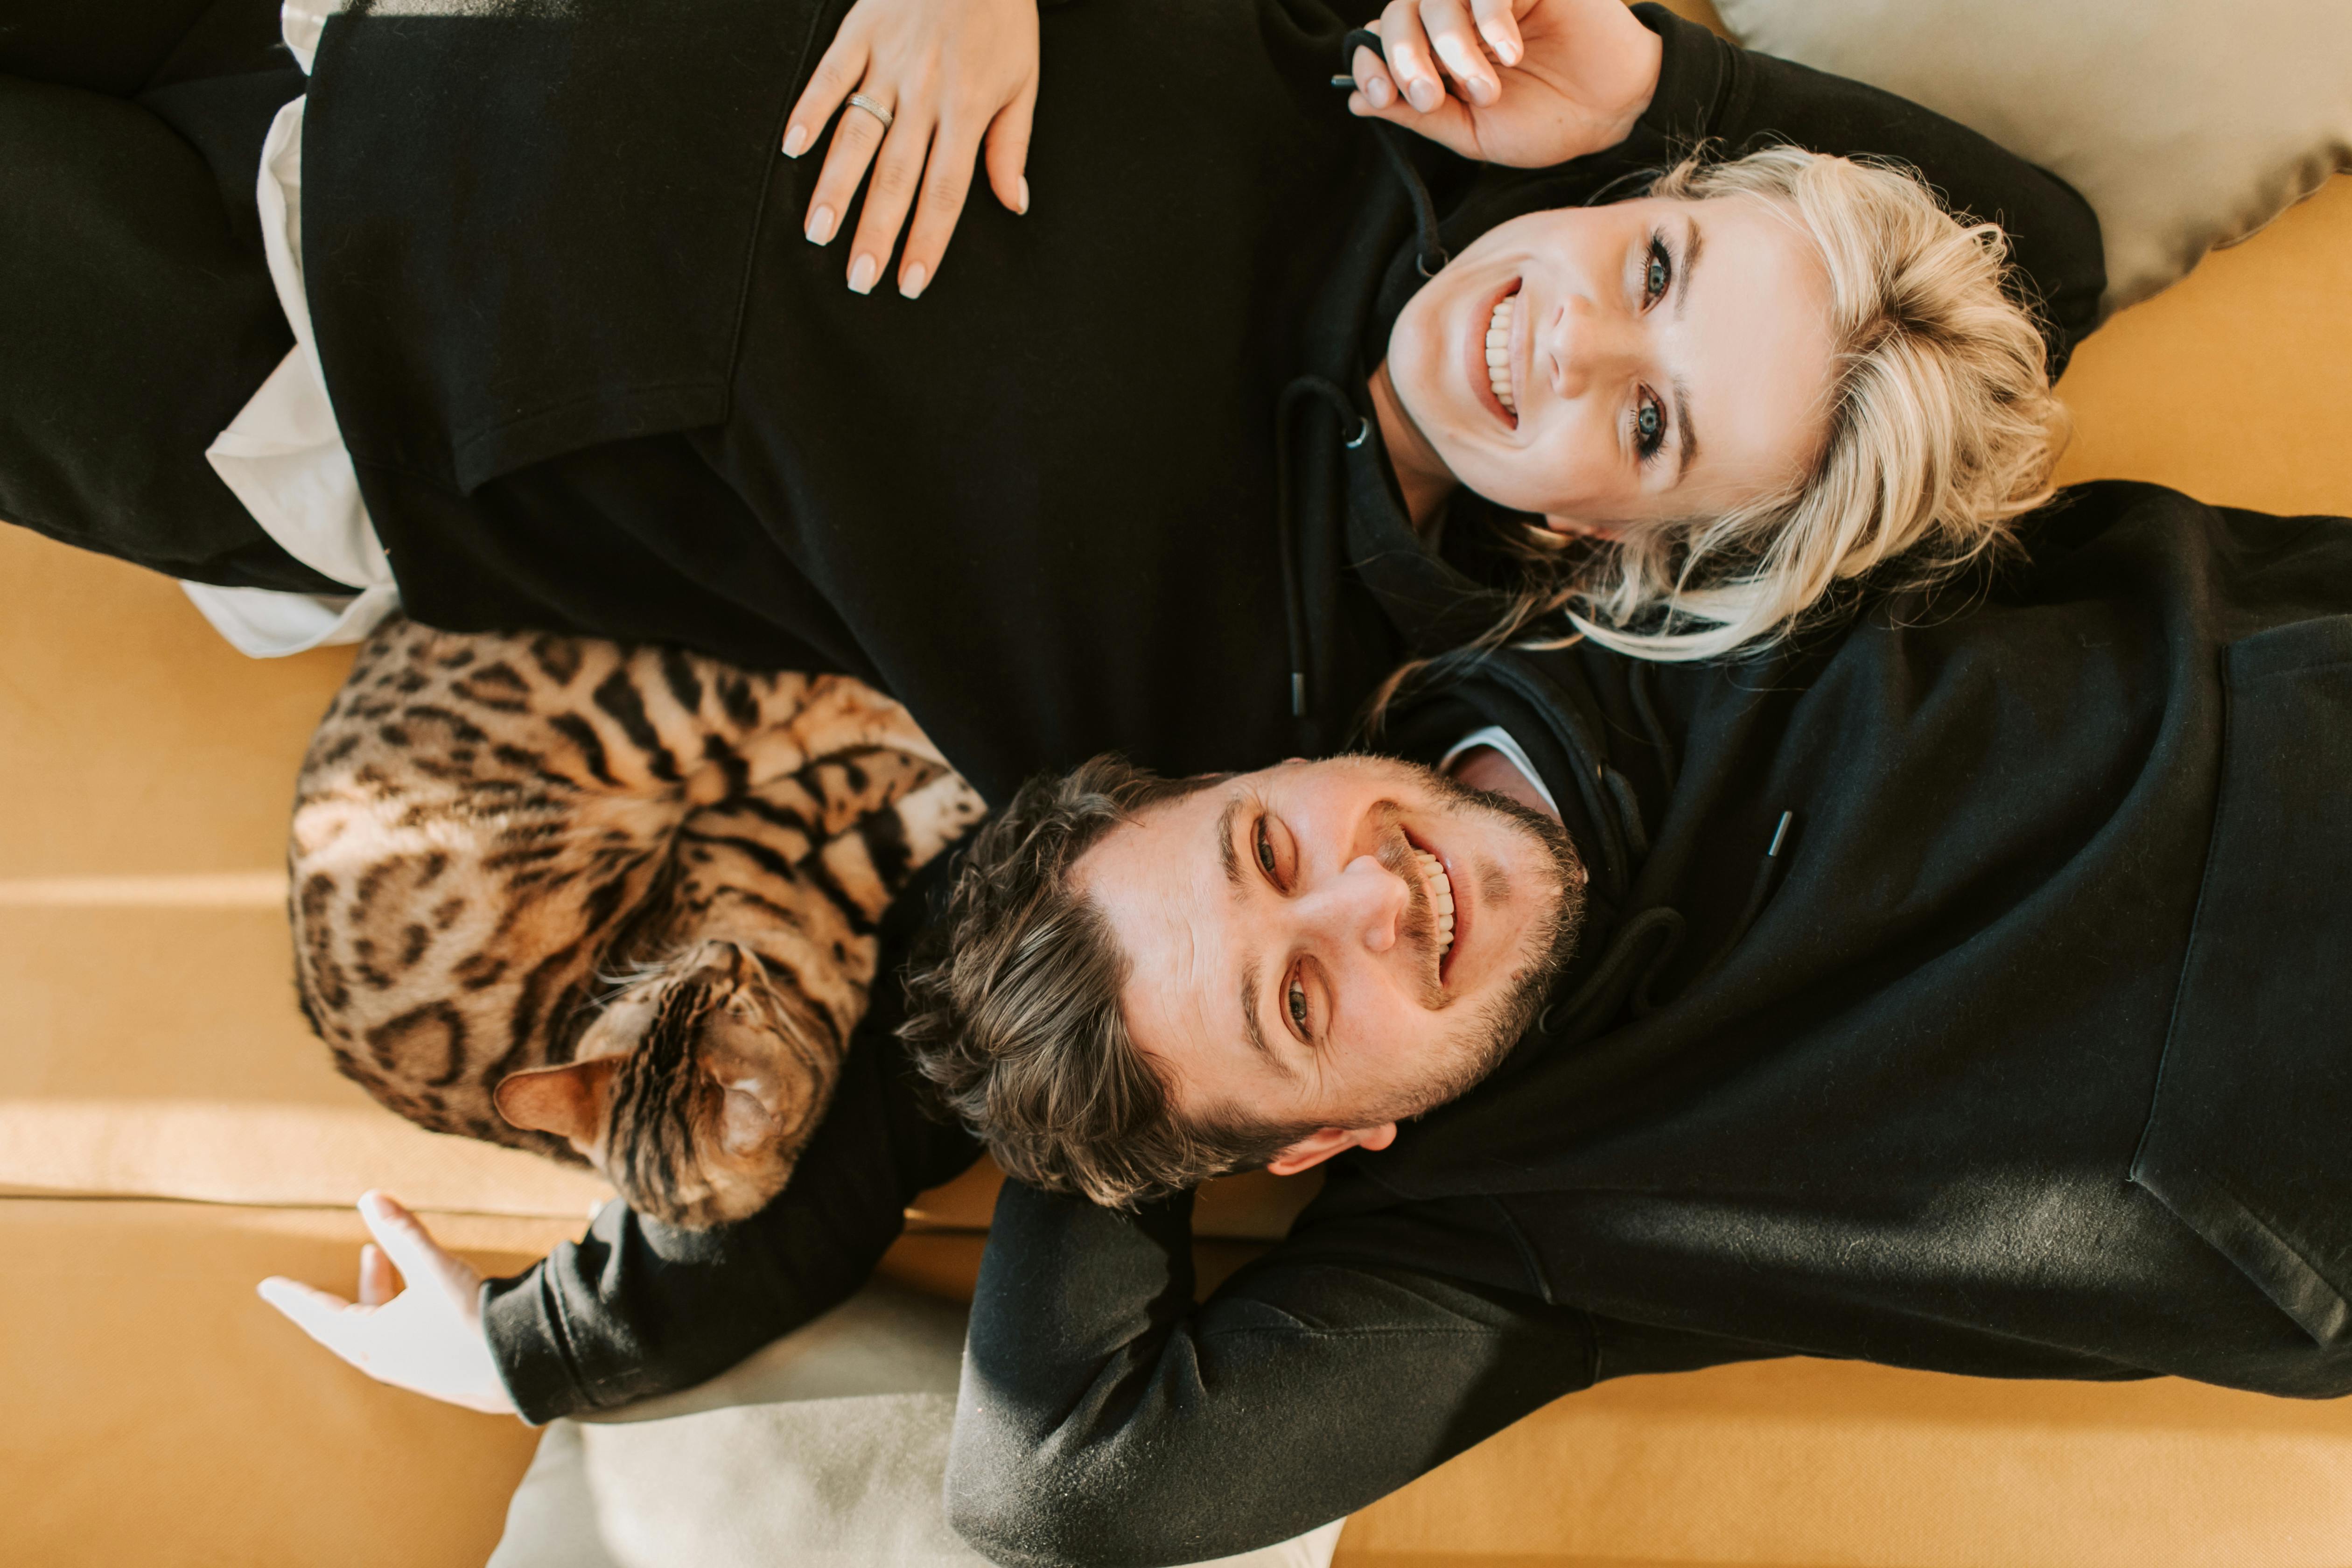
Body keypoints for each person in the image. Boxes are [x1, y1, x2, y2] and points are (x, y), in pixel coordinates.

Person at [4, 0, 2102, 805]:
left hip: (293, 357)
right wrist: (1669, 90)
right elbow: (2048, 246)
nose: (1565, 338)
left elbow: (1040, 1058)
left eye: (1648, 427)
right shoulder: (1370, 61)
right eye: (1655, 265)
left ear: (1618, 542)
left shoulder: (1239, 710)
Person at [896, 479, 2352, 1562]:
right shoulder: (1509, 1233)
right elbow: (1056, 1489)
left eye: (1268, 845)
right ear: (1328, 1137)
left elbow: (2023, 259)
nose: (1373, 900)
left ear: (1264, 760)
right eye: (1297, 1003)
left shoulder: (1567, 552)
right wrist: (1072, 1092)